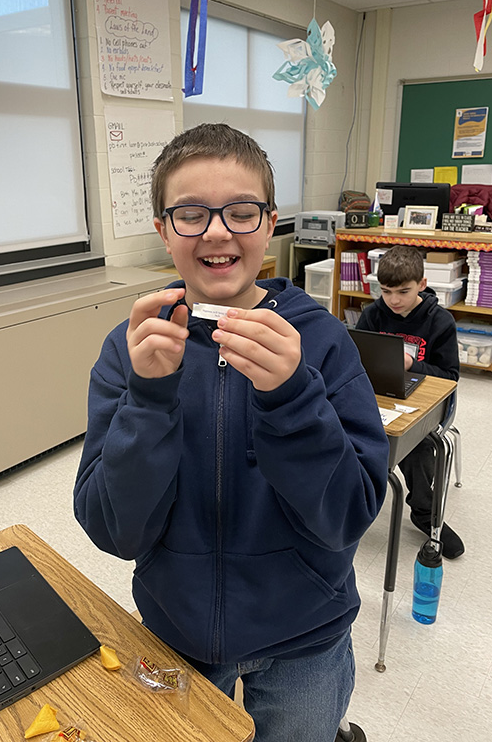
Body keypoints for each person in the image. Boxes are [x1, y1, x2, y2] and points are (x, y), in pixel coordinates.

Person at [74, 123, 389, 742]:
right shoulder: (132, 348)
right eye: (191, 214)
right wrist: (149, 398)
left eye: (241, 212)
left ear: (270, 224)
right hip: (175, 631)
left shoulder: (320, 342)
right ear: (165, 232)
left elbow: (347, 514)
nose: (216, 231)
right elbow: (113, 529)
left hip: (306, 636)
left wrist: (294, 397)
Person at [356, 245, 464, 559]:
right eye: (386, 291)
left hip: (426, 399)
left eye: (403, 291)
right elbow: (357, 355)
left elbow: (449, 375)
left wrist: (410, 365)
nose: (393, 300)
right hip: (377, 391)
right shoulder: (373, 313)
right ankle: (349, 502)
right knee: (340, 426)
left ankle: (425, 513)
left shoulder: (439, 321)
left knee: (417, 447)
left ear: (422, 283)